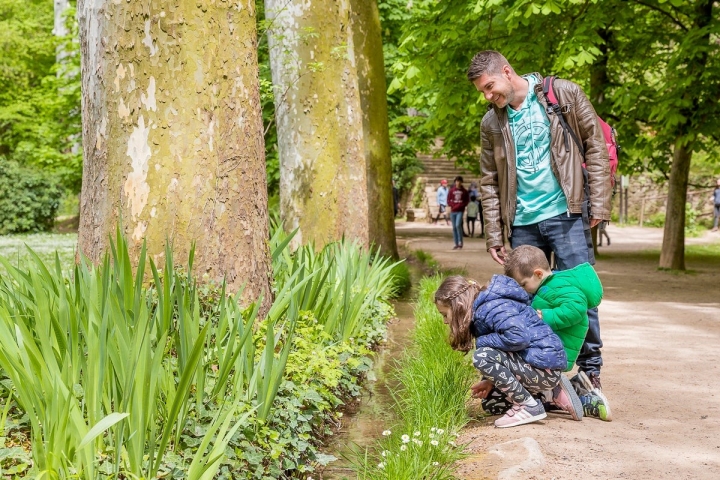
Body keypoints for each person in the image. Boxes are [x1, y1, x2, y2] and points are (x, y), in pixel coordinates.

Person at [468, 50, 612, 394]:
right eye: (483, 92)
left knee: (580, 294)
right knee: (528, 302)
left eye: (490, 87)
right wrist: (493, 234)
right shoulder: (491, 123)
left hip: (567, 211)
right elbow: (488, 180)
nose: (489, 96)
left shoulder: (562, 94)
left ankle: (590, 372)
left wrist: (599, 202)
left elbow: (595, 146)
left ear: (506, 71)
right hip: (522, 223)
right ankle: (539, 374)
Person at [435, 274, 582, 428]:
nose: (445, 321)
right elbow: (506, 349)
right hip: (534, 366)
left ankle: (529, 406)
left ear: (458, 305)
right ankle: (550, 393)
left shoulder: (492, 307)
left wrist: (481, 341)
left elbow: (518, 338)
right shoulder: (482, 309)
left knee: (482, 356)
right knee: (493, 404)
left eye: (445, 314)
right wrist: (491, 380)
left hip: (543, 368)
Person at [504, 245, 611, 421]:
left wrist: (547, 316)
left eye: (524, 284)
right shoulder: (549, 286)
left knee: (537, 380)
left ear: (538, 274)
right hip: (552, 349)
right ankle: (568, 390)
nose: (523, 289)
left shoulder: (559, 285)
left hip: (558, 351)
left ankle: (585, 398)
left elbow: (577, 308)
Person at [448, 176, 469, 249]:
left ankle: (460, 242)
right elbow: (448, 199)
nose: (458, 182)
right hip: (453, 211)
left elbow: (467, 201)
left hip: (460, 210)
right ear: (455, 182)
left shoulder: (464, 191)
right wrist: (452, 205)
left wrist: (461, 205)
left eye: (459, 181)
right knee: (454, 227)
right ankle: (456, 243)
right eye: (457, 181)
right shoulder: (451, 190)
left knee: (457, 225)